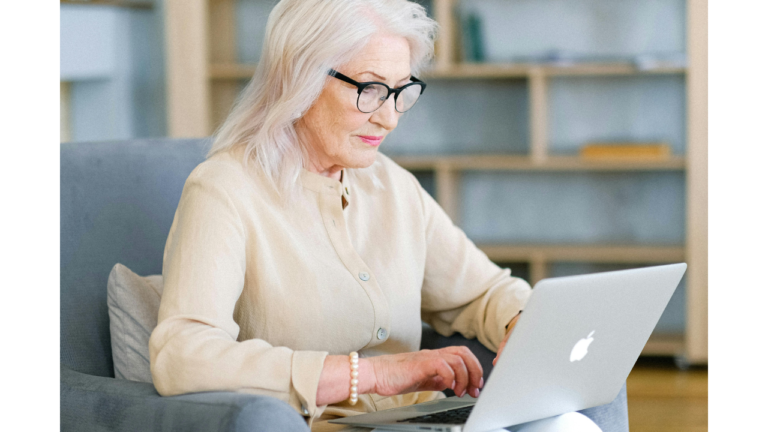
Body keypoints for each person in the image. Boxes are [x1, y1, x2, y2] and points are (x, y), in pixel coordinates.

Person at [149, 0, 532, 430]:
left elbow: (482, 292)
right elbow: (182, 355)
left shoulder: (393, 185)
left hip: (422, 421)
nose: (389, 119)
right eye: (368, 89)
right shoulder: (225, 189)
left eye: (401, 90)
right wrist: (371, 375)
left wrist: (522, 321)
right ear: (300, 79)